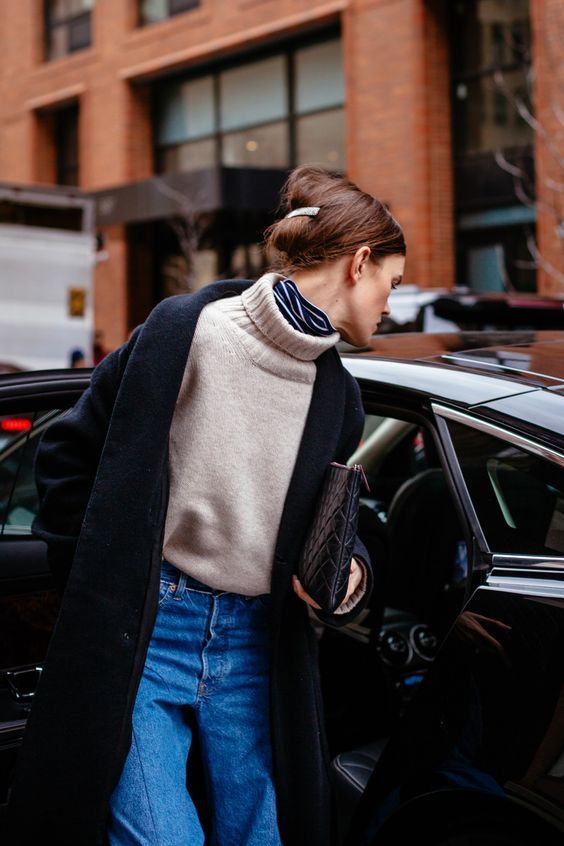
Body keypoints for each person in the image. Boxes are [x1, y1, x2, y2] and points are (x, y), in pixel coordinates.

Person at [6, 166, 406, 846]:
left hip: (259, 642)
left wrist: (351, 572)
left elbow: (338, 522)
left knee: (266, 834)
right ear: (359, 263)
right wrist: (100, 581)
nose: (390, 304)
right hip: (149, 628)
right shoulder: (184, 333)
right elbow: (67, 457)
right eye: (391, 283)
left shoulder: (339, 396)